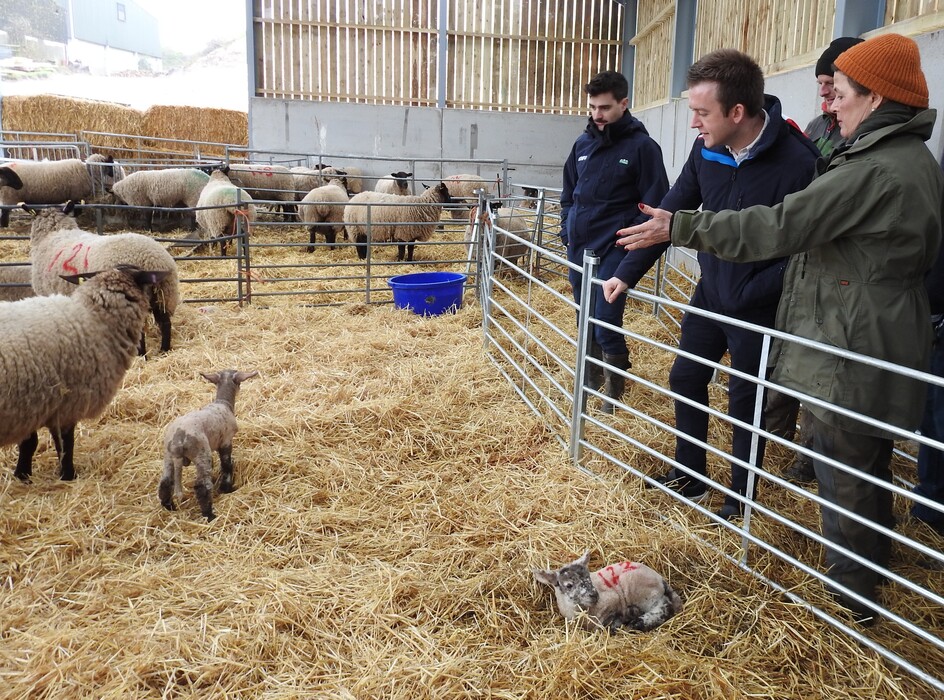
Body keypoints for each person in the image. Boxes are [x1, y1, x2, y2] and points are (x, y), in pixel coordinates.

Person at [612, 33, 943, 622]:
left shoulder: (868, 169)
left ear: (876, 97)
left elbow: (780, 228)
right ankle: (871, 567)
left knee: (842, 465)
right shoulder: (891, 158)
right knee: (859, 460)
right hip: (849, 322)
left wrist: (683, 231)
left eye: (840, 94)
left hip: (849, 335)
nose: (830, 104)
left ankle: (853, 604)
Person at [600, 49, 820, 520]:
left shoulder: (799, 162)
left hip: (761, 302)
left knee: (745, 400)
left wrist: (765, 288)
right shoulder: (708, 151)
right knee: (686, 376)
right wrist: (624, 272)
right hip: (712, 290)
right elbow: (669, 217)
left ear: (736, 112)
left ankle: (739, 500)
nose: (694, 123)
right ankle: (691, 474)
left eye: (702, 112)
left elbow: (806, 246)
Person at [764, 36, 864, 485]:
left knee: (822, 366)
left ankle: (808, 453)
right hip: (797, 260)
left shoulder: (861, 136)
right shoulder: (814, 129)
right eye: (821, 85)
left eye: (832, 86)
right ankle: (773, 435)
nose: (824, 96)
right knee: (784, 348)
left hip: (837, 270)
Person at [560, 70, 669, 413]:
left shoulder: (642, 148)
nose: (597, 115)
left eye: (605, 107)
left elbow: (656, 204)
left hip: (615, 248)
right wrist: (567, 230)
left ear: (624, 103)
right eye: (592, 106)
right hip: (580, 249)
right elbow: (568, 194)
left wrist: (628, 240)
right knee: (584, 317)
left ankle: (615, 387)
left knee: (606, 317)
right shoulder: (582, 144)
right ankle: (590, 378)